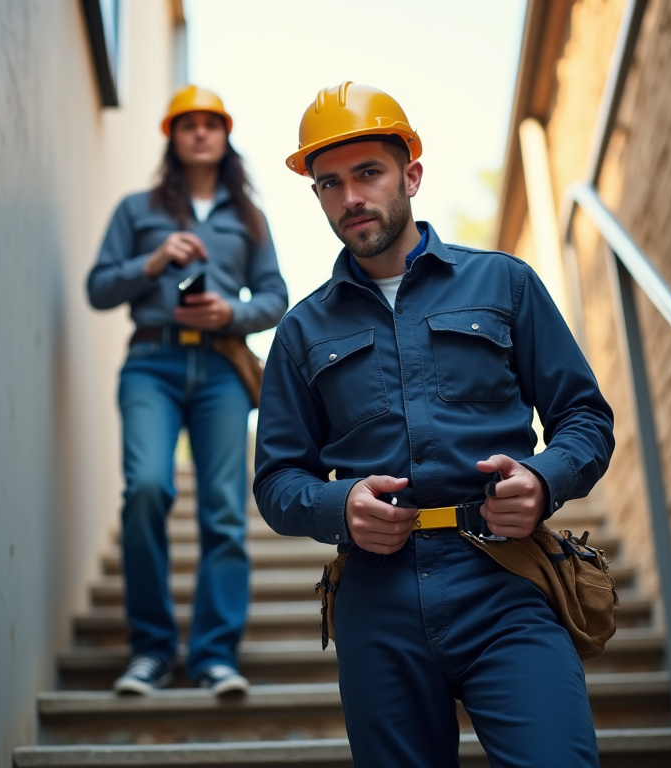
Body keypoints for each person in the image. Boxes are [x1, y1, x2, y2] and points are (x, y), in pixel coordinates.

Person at [253, 81, 615, 766]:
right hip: (376, 603)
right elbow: (276, 480)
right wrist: (340, 505)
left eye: (369, 173)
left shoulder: (504, 286)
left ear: (411, 175)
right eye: (330, 184)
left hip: (505, 584)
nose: (351, 198)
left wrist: (541, 481)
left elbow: (584, 419)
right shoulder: (301, 331)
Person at [87, 85, 288, 697]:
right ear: (171, 136)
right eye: (187, 124)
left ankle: (213, 656)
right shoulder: (135, 209)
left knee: (224, 510)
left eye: (211, 123)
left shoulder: (249, 218)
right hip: (151, 362)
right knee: (147, 487)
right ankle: (149, 652)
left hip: (222, 373)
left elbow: (275, 298)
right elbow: (98, 289)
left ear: (224, 135)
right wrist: (150, 262)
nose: (200, 132)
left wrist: (228, 312)